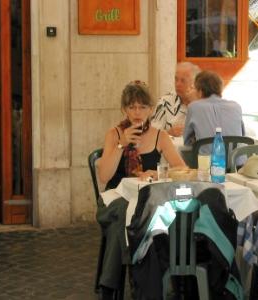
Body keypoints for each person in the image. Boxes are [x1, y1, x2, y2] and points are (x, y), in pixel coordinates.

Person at [96, 81, 186, 299]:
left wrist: (158, 174)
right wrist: (121, 144)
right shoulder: (115, 134)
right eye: (132, 107)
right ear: (124, 109)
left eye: (142, 107)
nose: (137, 112)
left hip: (147, 200)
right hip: (115, 198)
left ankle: (118, 286)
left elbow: (182, 169)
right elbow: (104, 177)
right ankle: (124, 284)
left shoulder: (159, 136)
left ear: (151, 109)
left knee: (143, 215)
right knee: (125, 214)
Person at [183, 70, 244, 146]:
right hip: (237, 157)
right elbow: (242, 136)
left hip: (208, 158)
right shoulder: (236, 106)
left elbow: (186, 142)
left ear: (200, 92)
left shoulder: (193, 107)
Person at [151, 62, 201, 137]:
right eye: (176, 79)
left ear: (195, 83)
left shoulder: (204, 103)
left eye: (183, 80)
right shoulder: (165, 102)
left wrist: (194, 103)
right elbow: (152, 133)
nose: (177, 84)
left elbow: (212, 132)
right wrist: (168, 132)